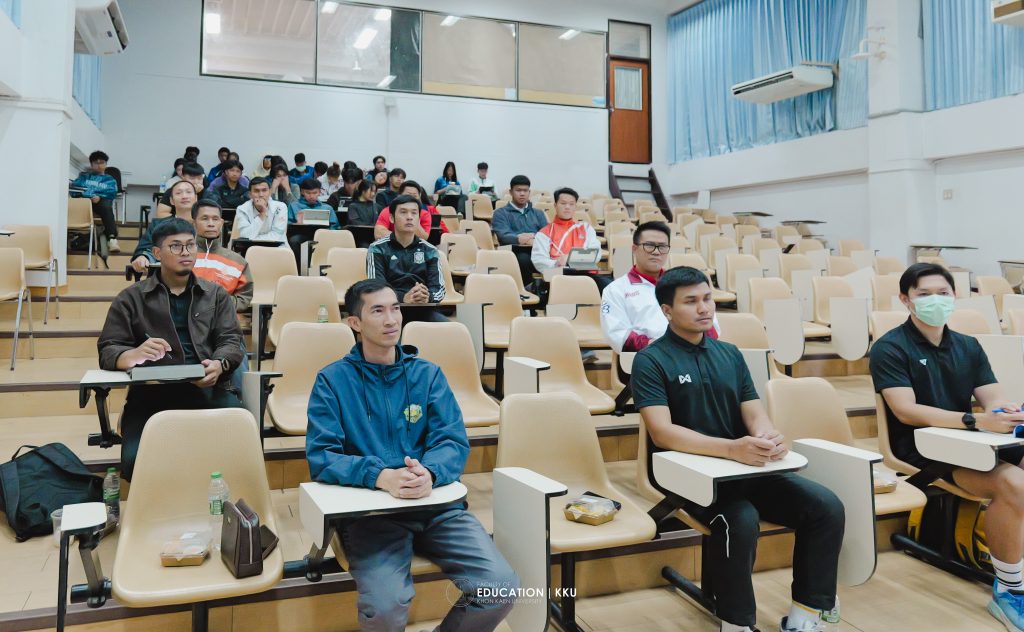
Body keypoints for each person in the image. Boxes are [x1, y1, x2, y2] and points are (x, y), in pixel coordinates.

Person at [632, 266, 845, 632]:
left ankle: (806, 614)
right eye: (690, 301)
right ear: (667, 310)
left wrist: (767, 436)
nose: (704, 308)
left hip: (744, 467)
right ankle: (736, 623)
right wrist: (731, 449)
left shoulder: (730, 354)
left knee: (825, 507)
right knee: (740, 519)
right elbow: (663, 433)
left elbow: (754, 413)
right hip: (688, 476)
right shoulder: (651, 360)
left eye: (707, 298)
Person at [306, 278, 517, 631]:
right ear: (355, 323)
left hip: (436, 508)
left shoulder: (427, 375)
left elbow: (452, 441)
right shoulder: (332, 381)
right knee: (386, 606)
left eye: (395, 308)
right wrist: (380, 476)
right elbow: (322, 456)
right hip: (371, 515)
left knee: (500, 586)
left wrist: (430, 473)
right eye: (378, 311)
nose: (391, 319)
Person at [870, 262, 1024, 630]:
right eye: (924, 294)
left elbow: (992, 398)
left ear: (954, 296)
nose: (935, 300)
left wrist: (1005, 413)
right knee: (1014, 485)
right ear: (905, 299)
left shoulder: (968, 345)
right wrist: (975, 421)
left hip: (968, 440)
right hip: (920, 448)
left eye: (943, 293)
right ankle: (1009, 591)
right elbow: (905, 411)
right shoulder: (889, 347)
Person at [98, 218, 244, 480]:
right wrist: (130, 355)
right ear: (157, 253)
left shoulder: (216, 295)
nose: (185, 252)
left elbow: (232, 341)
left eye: (190, 245)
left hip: (206, 388)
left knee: (240, 452)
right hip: (152, 393)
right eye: (175, 246)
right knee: (135, 463)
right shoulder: (131, 298)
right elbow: (108, 349)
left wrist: (219, 364)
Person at [192, 199, 254, 391]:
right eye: (204, 218)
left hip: (224, 328)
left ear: (221, 223)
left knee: (241, 380)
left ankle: (241, 403)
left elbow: (245, 298)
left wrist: (218, 306)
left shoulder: (237, 261)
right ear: (194, 222)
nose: (211, 223)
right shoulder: (184, 256)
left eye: (215, 219)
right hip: (189, 327)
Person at [367, 195, 446, 323]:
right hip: (389, 310)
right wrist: (403, 297)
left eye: (414, 213)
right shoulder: (377, 248)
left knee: (452, 330)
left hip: (422, 309)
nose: (409, 217)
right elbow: (376, 288)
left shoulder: (430, 250)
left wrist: (427, 297)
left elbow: (439, 289)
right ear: (391, 218)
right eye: (403, 212)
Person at [131, 180, 198, 274]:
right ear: (171, 200)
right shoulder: (158, 224)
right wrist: (143, 257)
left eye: (188, 192)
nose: (184, 196)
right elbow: (144, 249)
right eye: (178, 193)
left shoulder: (204, 225)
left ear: (196, 198)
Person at [531, 186, 600, 274]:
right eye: (563, 203)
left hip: (585, 273)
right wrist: (557, 263)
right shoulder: (544, 233)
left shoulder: (586, 228)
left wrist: (570, 258)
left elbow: (596, 253)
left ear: (575, 207)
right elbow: (539, 260)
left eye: (571, 204)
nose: (567, 207)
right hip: (558, 275)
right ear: (555, 205)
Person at [491, 175, 547, 282]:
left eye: (525, 190)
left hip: (537, 251)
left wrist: (532, 237)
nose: (522, 193)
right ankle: (527, 288)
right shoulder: (500, 213)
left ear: (529, 192)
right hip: (513, 252)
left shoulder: (538, 213)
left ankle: (550, 288)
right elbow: (503, 236)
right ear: (511, 192)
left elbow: (547, 234)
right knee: (523, 259)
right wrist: (520, 238)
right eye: (518, 190)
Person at [70, 150, 121, 253]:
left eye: (101, 162)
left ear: (106, 164)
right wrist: (88, 196)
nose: (99, 165)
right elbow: (75, 189)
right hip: (84, 203)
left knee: (106, 205)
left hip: (100, 204)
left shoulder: (110, 180)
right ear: (91, 164)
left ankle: (111, 239)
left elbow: (111, 193)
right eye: (96, 163)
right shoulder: (84, 177)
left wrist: (99, 197)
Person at [288, 178, 339, 260]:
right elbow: (288, 225)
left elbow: (335, 227)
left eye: (315, 193)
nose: (311, 196)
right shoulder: (294, 206)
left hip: (323, 236)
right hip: (302, 235)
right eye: (308, 193)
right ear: (302, 192)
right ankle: (298, 267)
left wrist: (328, 231)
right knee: (294, 240)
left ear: (319, 192)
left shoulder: (327, 208)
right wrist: (297, 224)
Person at [235, 177, 288, 245]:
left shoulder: (280, 207)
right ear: (250, 194)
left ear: (270, 192)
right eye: (256, 191)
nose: (261, 195)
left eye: (264, 190)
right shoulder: (242, 209)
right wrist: (262, 214)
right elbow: (245, 235)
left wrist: (254, 239)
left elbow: (277, 236)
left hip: (278, 247)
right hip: (250, 247)